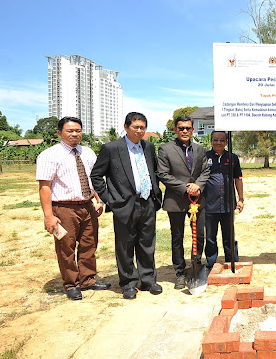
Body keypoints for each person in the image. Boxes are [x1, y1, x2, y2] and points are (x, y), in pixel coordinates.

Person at [36, 116, 110, 300]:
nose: (75, 134)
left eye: (78, 130)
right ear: (60, 133)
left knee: (89, 244)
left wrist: (98, 200)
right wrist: (49, 216)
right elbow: (44, 187)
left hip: (87, 205)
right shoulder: (49, 155)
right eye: (70, 131)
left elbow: (94, 180)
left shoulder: (88, 153)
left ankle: (88, 279)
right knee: (65, 247)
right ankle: (71, 284)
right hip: (63, 208)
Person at [90, 112, 163, 300]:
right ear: (126, 127)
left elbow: (153, 171)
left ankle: (148, 280)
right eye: (135, 127)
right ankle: (128, 283)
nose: (139, 131)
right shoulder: (112, 148)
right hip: (123, 204)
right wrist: (108, 198)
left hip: (147, 201)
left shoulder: (148, 147)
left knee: (147, 243)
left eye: (142, 127)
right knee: (125, 245)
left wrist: (155, 192)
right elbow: (97, 175)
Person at [157, 115, 210, 289]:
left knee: (199, 235)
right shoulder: (166, 149)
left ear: (193, 130)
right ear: (175, 130)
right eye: (181, 128)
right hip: (176, 200)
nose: (185, 131)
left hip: (197, 199)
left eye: (188, 128)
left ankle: (196, 264)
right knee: (177, 236)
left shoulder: (200, 149)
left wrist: (198, 186)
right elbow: (163, 174)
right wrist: (184, 188)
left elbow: (205, 171)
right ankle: (180, 272)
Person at [204, 131, 244, 269]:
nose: (218, 143)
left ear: (226, 142)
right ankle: (211, 263)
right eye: (215, 140)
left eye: (222, 140)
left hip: (228, 204)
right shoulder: (204, 157)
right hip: (209, 205)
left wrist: (241, 199)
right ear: (211, 141)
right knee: (210, 237)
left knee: (229, 235)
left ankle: (232, 261)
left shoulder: (232, 157)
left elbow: (238, 178)